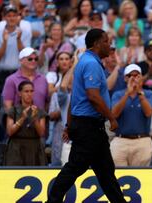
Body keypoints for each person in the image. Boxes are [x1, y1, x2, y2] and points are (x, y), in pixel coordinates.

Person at [46, 29, 126, 203]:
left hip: (88, 125)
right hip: (89, 126)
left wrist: (69, 125)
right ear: (97, 44)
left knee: (105, 171)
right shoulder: (91, 63)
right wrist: (111, 118)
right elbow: (92, 96)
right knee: (75, 166)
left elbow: (75, 97)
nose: (110, 45)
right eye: (106, 41)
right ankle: (52, 200)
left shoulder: (85, 61)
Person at [110, 64, 152, 166]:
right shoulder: (118, 94)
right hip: (120, 140)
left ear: (141, 77)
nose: (134, 78)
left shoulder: (149, 94)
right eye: (131, 75)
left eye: (137, 75)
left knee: (141, 176)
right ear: (125, 78)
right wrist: (127, 94)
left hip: (142, 140)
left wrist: (139, 92)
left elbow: (148, 113)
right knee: (118, 176)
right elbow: (114, 114)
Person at [4, 80, 46, 166]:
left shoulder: (39, 111)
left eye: (31, 91)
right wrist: (22, 118)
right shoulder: (13, 110)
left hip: (35, 149)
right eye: (26, 91)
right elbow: (10, 132)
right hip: (16, 149)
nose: (29, 94)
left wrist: (35, 118)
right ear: (20, 93)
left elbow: (41, 133)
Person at [0, 5, 31, 101]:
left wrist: (19, 39)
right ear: (4, 17)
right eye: (9, 15)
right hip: (1, 73)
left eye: (14, 15)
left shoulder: (24, 31)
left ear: (18, 17)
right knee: (3, 105)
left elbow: (27, 57)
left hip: (18, 72)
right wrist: (4, 42)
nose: (11, 18)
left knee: (19, 102)